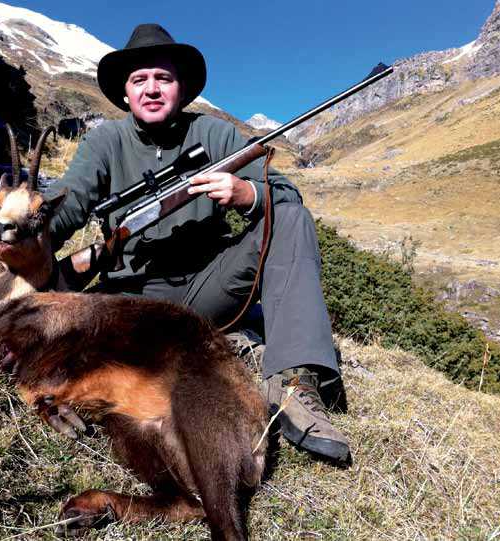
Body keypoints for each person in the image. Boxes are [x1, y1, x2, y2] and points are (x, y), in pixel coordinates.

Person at [48, 23, 351, 464]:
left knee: (289, 217)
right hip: (134, 298)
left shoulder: (216, 135)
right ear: (127, 93)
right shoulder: (104, 141)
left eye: (163, 78)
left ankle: (293, 383)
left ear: (181, 87)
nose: (151, 89)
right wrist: (30, 230)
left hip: (209, 287)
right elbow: (70, 201)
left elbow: (286, 195)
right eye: (139, 80)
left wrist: (247, 194)